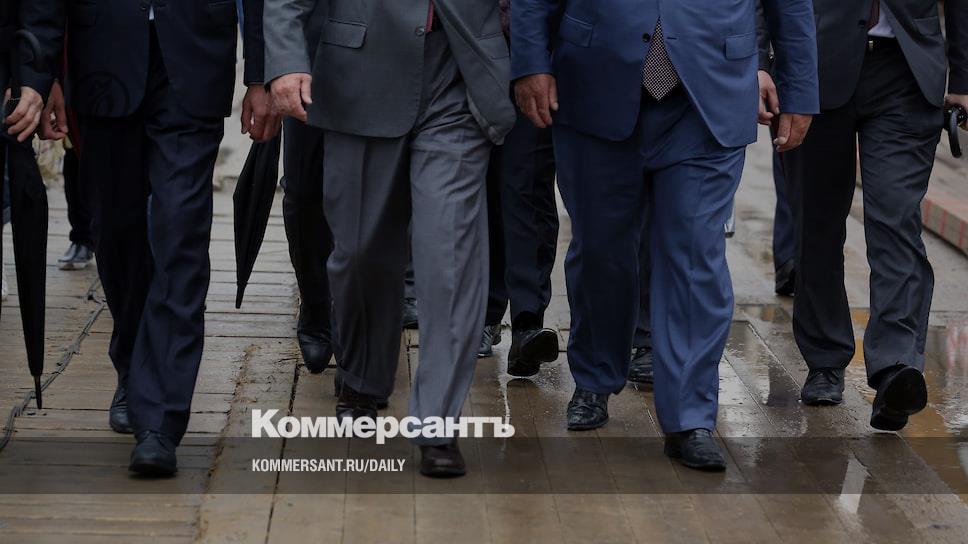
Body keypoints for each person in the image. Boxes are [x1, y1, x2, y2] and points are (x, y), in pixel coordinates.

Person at [512, 0, 818, 470]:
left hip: (710, 93)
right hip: (594, 81)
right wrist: (531, 62)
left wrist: (799, 89)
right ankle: (594, 377)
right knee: (601, 250)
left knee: (695, 257)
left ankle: (690, 416)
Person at [27, 0, 278, 477]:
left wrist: (261, 74)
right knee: (115, 231)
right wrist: (44, 76)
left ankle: (160, 414)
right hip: (102, 57)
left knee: (180, 233)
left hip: (194, 56)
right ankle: (133, 361)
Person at [266, 0, 516, 478]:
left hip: (460, 74)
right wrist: (284, 61)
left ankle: (438, 422)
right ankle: (362, 377)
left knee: (449, 258)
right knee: (360, 254)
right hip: (360, 74)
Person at [777, 0, 968, 430]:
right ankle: (825, 359)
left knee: (896, 220)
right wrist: (760, 63)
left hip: (908, 71)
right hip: (814, 68)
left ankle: (896, 367)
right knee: (817, 223)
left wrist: (964, 77)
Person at [478, 0, 561, 374]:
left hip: (533, 53)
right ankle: (484, 313)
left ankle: (527, 322)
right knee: (481, 189)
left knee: (526, 184)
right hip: (465, 51)